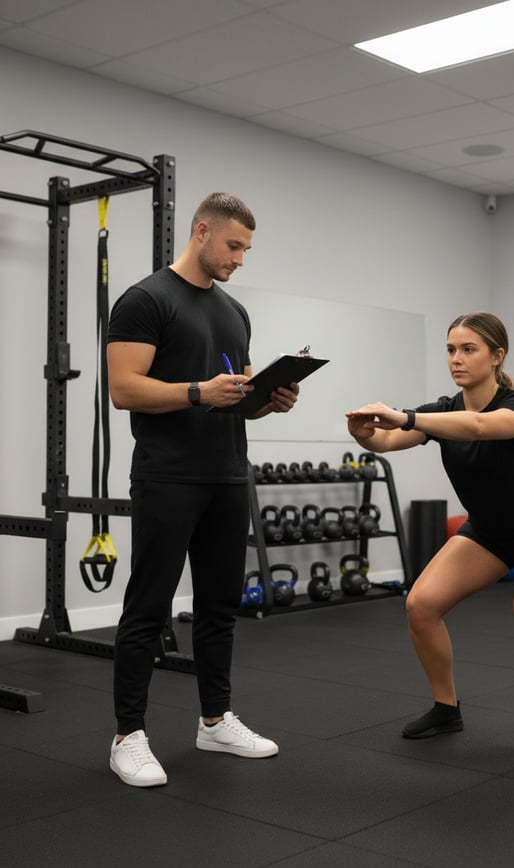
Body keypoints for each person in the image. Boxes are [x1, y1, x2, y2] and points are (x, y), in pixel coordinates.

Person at [106, 192, 299, 787]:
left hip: (228, 474)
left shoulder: (235, 312)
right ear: (201, 231)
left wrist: (268, 401)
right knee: (148, 608)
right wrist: (197, 391)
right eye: (234, 246)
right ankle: (127, 736)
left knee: (219, 608)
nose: (240, 258)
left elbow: (236, 400)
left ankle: (214, 720)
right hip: (168, 475)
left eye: (246, 249)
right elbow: (124, 389)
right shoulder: (145, 299)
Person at [346, 312, 514, 762]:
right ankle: (445, 708)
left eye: (468, 349)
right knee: (420, 605)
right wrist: (364, 437)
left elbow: (478, 427)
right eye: (451, 349)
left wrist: (406, 416)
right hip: (489, 532)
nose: (456, 359)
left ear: (497, 356)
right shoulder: (442, 410)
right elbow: (388, 443)